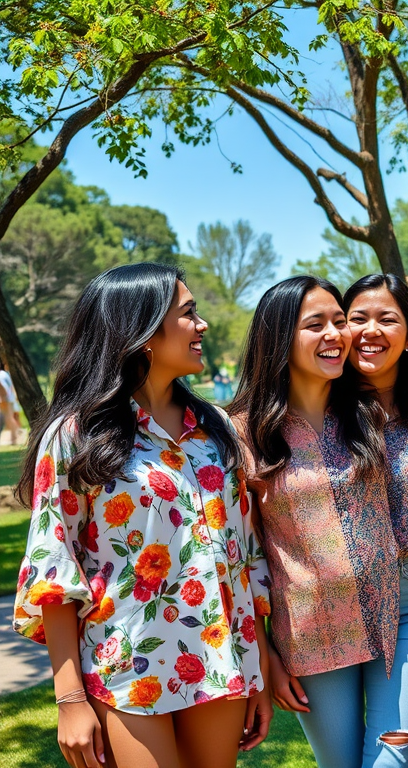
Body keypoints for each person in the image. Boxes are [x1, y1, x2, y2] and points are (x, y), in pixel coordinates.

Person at [13, 263, 273, 768]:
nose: (202, 326)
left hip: (220, 660)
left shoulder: (215, 428)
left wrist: (258, 665)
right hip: (125, 665)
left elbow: (243, 557)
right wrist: (69, 700)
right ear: (143, 332)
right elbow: (54, 569)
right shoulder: (76, 436)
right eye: (188, 314)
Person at [230, 274, 408, 768]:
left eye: (340, 321)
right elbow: (242, 555)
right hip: (312, 626)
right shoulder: (243, 435)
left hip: (407, 609)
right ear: (279, 339)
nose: (339, 334)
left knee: (392, 760)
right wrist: (263, 651)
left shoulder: (367, 409)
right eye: (319, 324)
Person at [0, 359, 22, 445]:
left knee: (9, 419)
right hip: (9, 398)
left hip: (5, 399)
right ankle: (15, 439)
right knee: (11, 418)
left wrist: (3, 398)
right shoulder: (5, 374)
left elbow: (3, 387)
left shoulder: (1, 374)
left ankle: (16, 439)